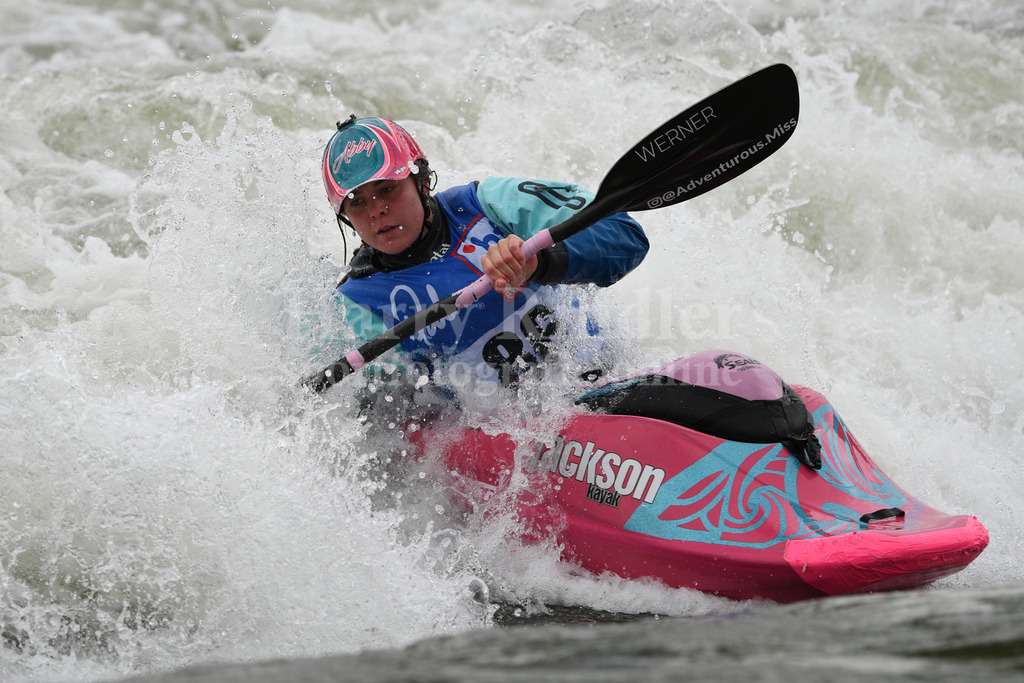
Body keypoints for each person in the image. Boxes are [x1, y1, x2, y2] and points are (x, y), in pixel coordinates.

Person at [322, 115, 649, 398]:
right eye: (357, 201)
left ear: (422, 182)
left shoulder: (489, 204)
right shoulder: (358, 304)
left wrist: (541, 263)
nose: (376, 210)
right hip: (516, 437)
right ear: (345, 216)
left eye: (387, 188)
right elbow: (386, 417)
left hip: (612, 373)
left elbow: (625, 234)